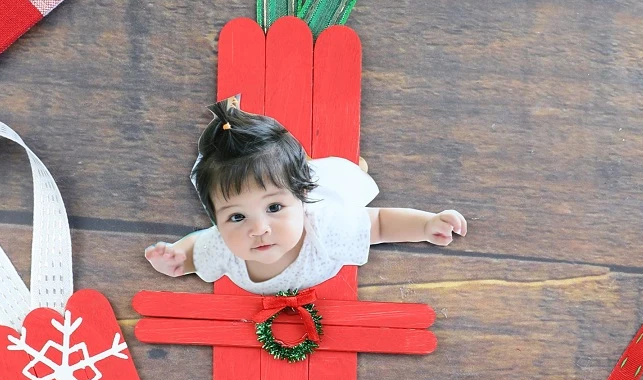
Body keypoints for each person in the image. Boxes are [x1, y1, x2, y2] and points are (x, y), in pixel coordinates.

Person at [144, 97, 467, 293]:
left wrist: (426, 225)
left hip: (324, 205)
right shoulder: (222, 246)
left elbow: (379, 223)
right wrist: (174, 260)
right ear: (215, 218)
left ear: (299, 198)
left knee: (348, 182)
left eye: (274, 207)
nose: (258, 229)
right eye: (236, 216)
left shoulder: (327, 225)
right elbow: (196, 249)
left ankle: (343, 170)